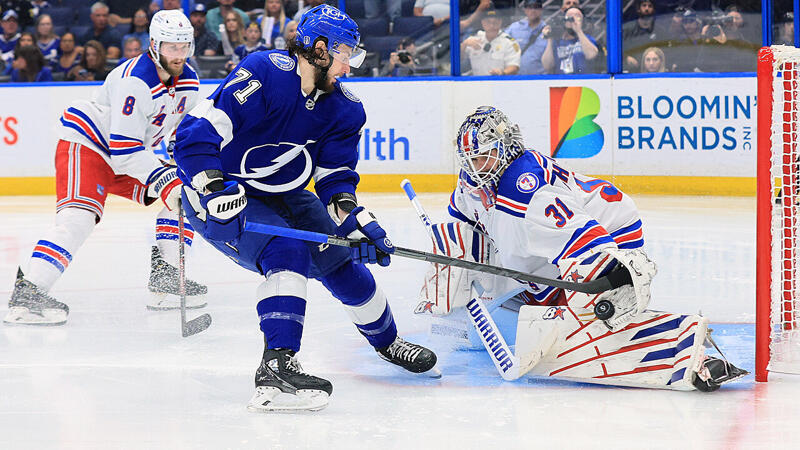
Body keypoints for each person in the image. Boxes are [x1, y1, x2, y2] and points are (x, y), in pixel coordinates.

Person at [172, 4, 439, 412]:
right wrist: (210, 185)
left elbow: (335, 179)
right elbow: (194, 136)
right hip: (224, 196)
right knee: (287, 250)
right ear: (318, 48)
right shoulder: (263, 74)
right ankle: (276, 367)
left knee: (342, 263)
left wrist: (352, 219)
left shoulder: (345, 108)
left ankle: (388, 343)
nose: (350, 66)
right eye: (346, 54)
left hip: (286, 194)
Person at [416, 105, 748, 392]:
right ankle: (553, 304)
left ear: (504, 148)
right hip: (555, 246)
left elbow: (589, 240)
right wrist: (453, 260)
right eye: (470, 158)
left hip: (611, 233)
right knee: (459, 241)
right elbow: (463, 221)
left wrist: (600, 291)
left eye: (484, 155)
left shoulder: (525, 193)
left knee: (592, 321)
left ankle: (682, 352)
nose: (475, 166)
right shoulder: (473, 182)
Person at [4, 10, 206, 326]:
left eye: (184, 47)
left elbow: (183, 138)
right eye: (171, 47)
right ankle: (29, 291)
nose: (178, 55)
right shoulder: (135, 82)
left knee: (187, 191)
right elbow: (124, 151)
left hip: (130, 154)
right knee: (79, 218)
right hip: (88, 145)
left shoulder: (189, 82)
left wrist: (190, 174)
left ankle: (167, 280)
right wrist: (167, 182)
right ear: (154, 44)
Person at [461, 7, 520, 76]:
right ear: (482, 23)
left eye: (495, 22)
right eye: (488, 22)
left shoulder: (509, 42)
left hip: (500, 82)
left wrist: (503, 73)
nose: (492, 26)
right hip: (477, 83)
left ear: (500, 22)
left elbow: (514, 67)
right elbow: (458, 60)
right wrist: (464, 45)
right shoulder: (474, 39)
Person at [541, 7, 598, 74]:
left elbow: (591, 55)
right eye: (569, 16)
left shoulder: (588, 39)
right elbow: (547, 66)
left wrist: (578, 31)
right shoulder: (557, 42)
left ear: (583, 21)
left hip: (582, 81)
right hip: (562, 81)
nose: (573, 19)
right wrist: (550, 39)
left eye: (577, 16)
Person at [622, 0, 668, 72]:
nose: (647, 8)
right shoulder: (628, 30)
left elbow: (666, 51)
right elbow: (619, 48)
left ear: (653, 9)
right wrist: (625, 58)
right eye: (644, 5)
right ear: (638, 9)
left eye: (650, 6)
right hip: (633, 72)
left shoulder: (660, 31)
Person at [504, 0, 546, 75]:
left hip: (540, 79)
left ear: (541, 10)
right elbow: (500, 40)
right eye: (530, 7)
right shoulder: (514, 28)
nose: (533, 10)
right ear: (525, 9)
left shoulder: (548, 30)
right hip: (517, 78)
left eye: (536, 7)